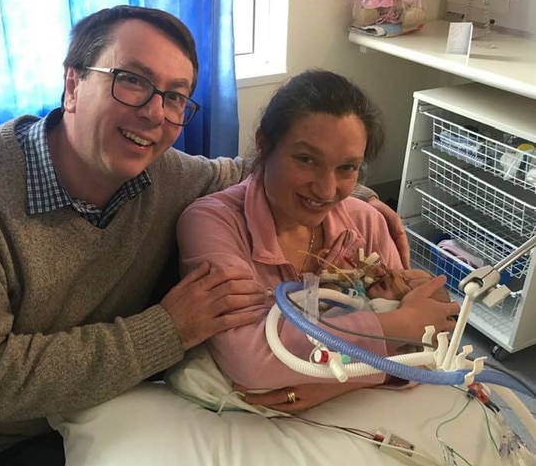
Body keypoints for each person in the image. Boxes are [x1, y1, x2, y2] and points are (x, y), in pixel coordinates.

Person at [0, 6, 406, 465]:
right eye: (132, 81)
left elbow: (253, 170)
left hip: (70, 417)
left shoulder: (165, 174)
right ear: (72, 84)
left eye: (176, 97)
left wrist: (364, 201)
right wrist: (167, 330)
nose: (156, 112)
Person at [176, 69, 460, 413]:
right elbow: (250, 361)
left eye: (347, 168)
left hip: (353, 407)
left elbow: (427, 352)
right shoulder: (213, 224)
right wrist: (399, 327)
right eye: (307, 160)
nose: (327, 190)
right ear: (265, 144)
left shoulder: (366, 223)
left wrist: (341, 383)